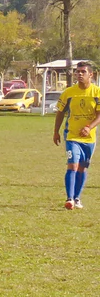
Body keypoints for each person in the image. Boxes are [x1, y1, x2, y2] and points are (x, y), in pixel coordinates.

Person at [53, 60, 100, 209]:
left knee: (82, 168)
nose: (79, 74)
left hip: (89, 138)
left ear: (91, 75)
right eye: (77, 72)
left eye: (83, 72)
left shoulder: (97, 92)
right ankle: (69, 199)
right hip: (72, 136)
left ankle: (77, 198)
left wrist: (89, 127)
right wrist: (56, 132)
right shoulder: (69, 92)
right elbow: (60, 113)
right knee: (72, 165)